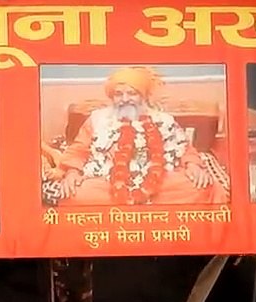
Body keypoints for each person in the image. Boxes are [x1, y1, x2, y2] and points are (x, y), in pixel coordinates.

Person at [42, 66, 226, 206]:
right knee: (74, 195)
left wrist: (193, 165)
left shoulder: (163, 120)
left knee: (204, 188)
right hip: (107, 180)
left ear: (143, 96)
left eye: (131, 93)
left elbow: (185, 148)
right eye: (118, 94)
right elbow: (79, 150)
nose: (124, 99)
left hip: (159, 180)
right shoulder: (97, 119)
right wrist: (72, 173)